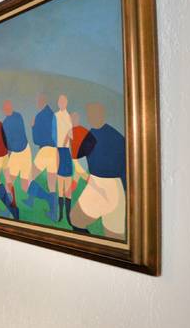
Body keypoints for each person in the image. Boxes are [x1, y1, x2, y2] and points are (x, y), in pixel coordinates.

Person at [70, 102, 126, 239]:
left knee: (76, 219)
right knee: (113, 236)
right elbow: (78, 153)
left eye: (93, 114)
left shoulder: (107, 136)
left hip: (102, 185)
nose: (90, 117)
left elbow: (77, 154)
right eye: (89, 114)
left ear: (101, 115)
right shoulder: (113, 135)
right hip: (116, 189)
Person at [26, 93, 60, 221]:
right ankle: (53, 213)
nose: (37, 103)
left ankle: (44, 198)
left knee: (29, 178)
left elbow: (36, 140)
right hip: (54, 151)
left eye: (38, 101)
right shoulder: (53, 115)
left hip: (45, 151)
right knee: (52, 184)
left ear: (41, 101)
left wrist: (33, 127)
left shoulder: (39, 116)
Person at [1, 100, 32, 215]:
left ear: (11, 107)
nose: (7, 109)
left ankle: (48, 198)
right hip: (15, 154)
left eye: (8, 107)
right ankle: (9, 209)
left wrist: (8, 149)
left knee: (25, 186)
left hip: (24, 152)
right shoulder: (5, 123)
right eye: (5, 108)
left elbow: (16, 137)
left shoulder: (18, 117)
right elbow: (7, 142)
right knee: (8, 182)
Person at [55, 95, 74, 223]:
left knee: (67, 188)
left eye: (64, 101)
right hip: (58, 151)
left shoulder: (69, 117)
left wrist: (67, 140)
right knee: (60, 186)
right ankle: (61, 215)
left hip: (66, 152)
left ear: (66, 103)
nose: (61, 103)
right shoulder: (55, 116)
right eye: (60, 101)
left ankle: (68, 216)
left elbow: (71, 137)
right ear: (58, 103)